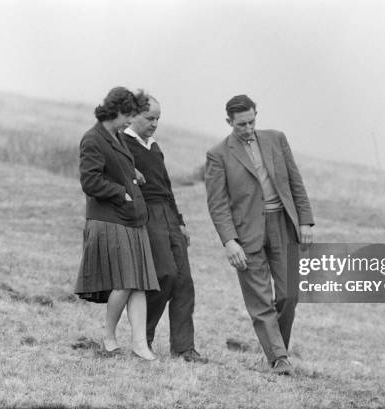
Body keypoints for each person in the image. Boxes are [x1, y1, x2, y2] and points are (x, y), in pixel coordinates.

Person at [204, 94, 314, 374]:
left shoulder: (277, 139)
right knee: (260, 300)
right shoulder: (218, 154)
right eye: (241, 124)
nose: (248, 128)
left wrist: (305, 222)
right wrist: (230, 242)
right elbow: (217, 204)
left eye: (252, 121)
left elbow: (295, 182)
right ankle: (279, 358)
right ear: (229, 121)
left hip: (282, 224)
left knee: (290, 294)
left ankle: (278, 348)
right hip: (246, 234)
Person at [75, 87, 159, 361]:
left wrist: (132, 173)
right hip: (109, 218)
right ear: (116, 111)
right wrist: (119, 191)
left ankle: (139, 345)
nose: (129, 122)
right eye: (128, 116)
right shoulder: (93, 139)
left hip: (130, 218)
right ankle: (109, 337)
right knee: (124, 283)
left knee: (138, 284)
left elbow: (114, 165)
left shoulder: (117, 137)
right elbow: (90, 181)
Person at [122, 95, 207, 363]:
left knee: (184, 283)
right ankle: (142, 340)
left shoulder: (155, 147)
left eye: (158, 118)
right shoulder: (122, 144)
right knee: (165, 274)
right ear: (133, 115)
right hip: (146, 213)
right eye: (150, 118)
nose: (155, 123)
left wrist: (179, 221)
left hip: (168, 215)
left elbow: (167, 187)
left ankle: (183, 349)